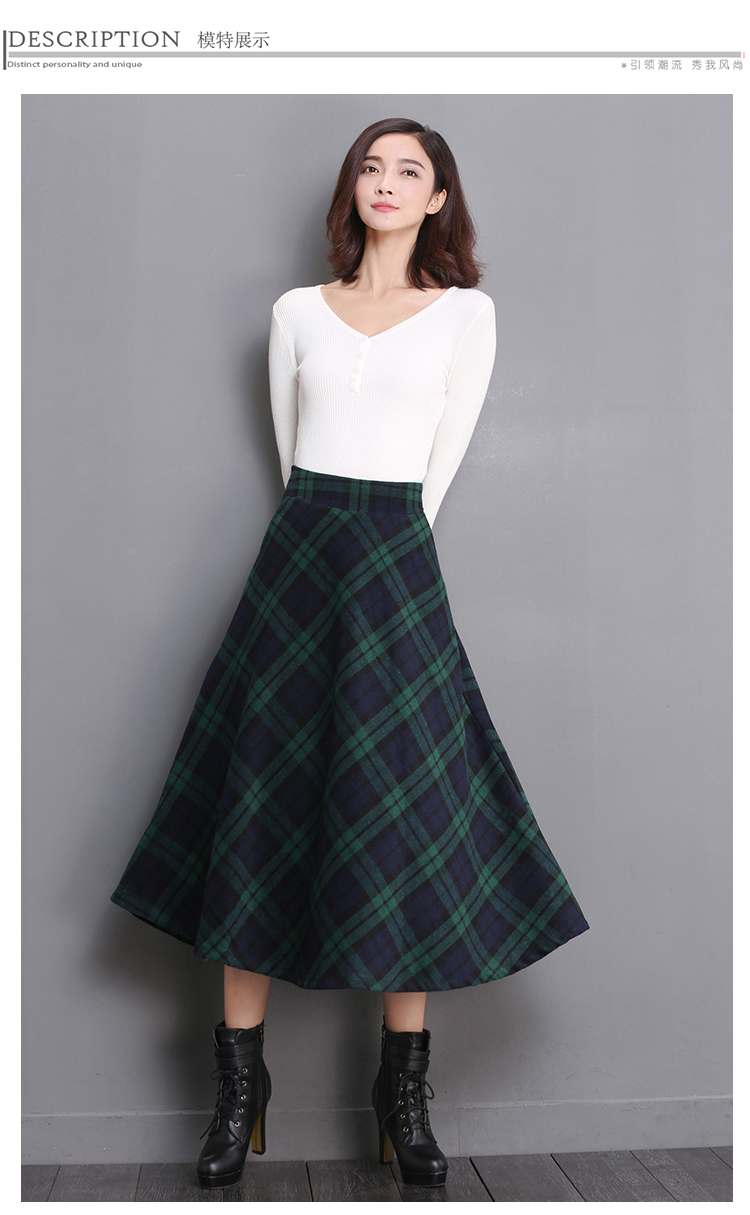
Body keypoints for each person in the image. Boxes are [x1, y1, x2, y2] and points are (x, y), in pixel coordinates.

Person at [110, 117, 590, 1191]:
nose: (386, 182)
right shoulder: (295, 313)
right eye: (371, 167)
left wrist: (385, 557)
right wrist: (328, 540)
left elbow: (436, 474)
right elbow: (294, 462)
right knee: (261, 800)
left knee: (402, 809)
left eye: (409, 171)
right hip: (298, 564)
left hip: (396, 563)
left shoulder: (466, 315)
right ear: (353, 189)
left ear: (437, 199)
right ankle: (240, 1091)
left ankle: (400, 1095)